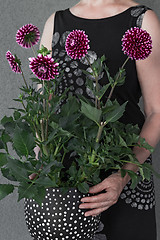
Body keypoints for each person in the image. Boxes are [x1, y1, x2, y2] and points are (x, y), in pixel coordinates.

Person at [33, 0, 160, 239]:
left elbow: (156, 112)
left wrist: (122, 177)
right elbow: (44, 109)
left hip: (124, 169)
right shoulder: (56, 22)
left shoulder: (141, 20)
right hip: (65, 178)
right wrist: (41, 164)